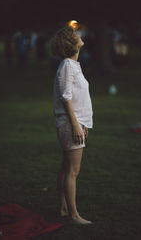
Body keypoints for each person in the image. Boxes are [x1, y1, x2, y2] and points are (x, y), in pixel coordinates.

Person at [51, 25, 93, 225]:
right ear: (71, 43)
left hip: (73, 123)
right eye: (75, 34)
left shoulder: (72, 65)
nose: (79, 35)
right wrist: (76, 125)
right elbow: (66, 98)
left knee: (66, 167)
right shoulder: (68, 65)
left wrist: (82, 123)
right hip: (70, 125)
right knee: (73, 171)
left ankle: (63, 208)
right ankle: (74, 216)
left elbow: (75, 98)